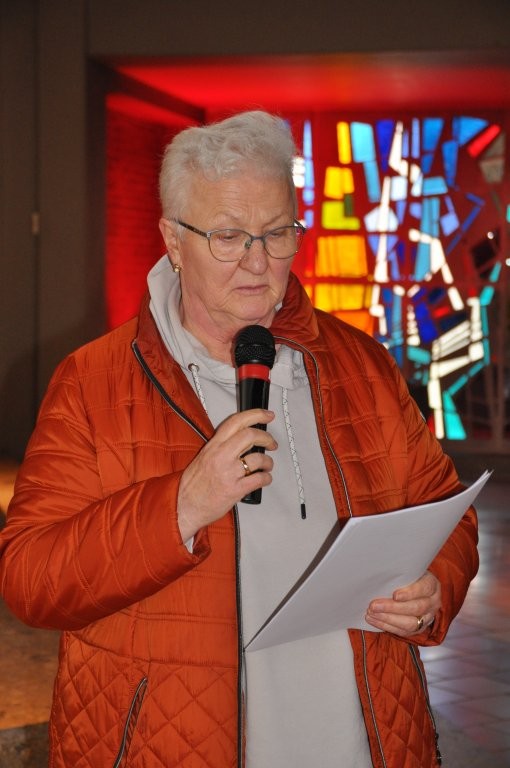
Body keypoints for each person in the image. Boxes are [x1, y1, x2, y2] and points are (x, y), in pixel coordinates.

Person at [0, 110, 478, 768]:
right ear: (173, 240)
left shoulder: (361, 363)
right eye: (228, 236)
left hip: (363, 742)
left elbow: (447, 513)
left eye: (278, 233)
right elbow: (31, 579)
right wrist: (181, 506)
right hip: (175, 746)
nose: (258, 261)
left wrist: (434, 586)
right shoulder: (92, 382)